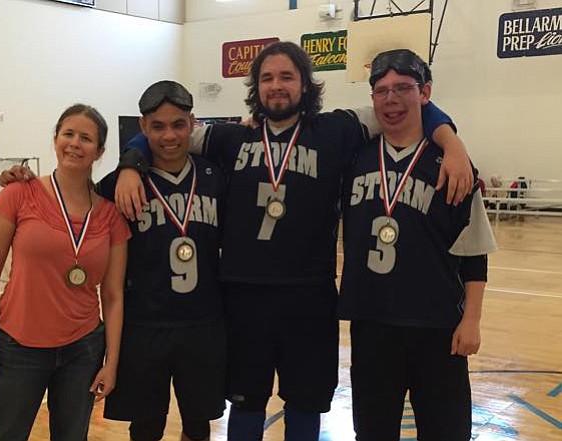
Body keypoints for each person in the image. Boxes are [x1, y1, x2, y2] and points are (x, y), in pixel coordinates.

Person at [114, 41, 474, 441]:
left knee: (305, 403)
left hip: (310, 298)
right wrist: (130, 162)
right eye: (267, 78)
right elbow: (165, 135)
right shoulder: (229, 139)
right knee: (246, 402)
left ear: (305, 84)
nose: (276, 86)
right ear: (256, 87)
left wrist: (451, 140)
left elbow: (408, 110)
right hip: (243, 297)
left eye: (287, 76)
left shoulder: (337, 129)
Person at [337, 49, 497, 440]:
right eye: (381, 90)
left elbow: (473, 250)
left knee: (446, 431)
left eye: (403, 88)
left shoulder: (453, 164)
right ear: (371, 98)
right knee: (373, 431)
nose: (391, 99)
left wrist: (471, 319)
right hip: (372, 324)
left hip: (438, 327)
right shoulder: (351, 157)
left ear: (425, 93)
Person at [0, 104, 129, 441]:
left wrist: (111, 361)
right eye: (68, 134)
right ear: (55, 139)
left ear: (99, 150)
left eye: (86, 138)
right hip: (18, 345)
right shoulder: (18, 194)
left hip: (83, 349)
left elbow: (114, 295)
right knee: (6, 435)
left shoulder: (110, 217)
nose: (75, 143)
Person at [98, 81, 226, 441]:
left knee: (199, 425)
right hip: (143, 326)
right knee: (146, 426)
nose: (169, 135)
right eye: (157, 126)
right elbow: (74, 199)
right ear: (143, 128)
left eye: (178, 124)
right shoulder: (116, 186)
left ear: (193, 124)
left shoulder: (217, 177)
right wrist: (24, 183)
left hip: (203, 324)